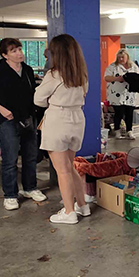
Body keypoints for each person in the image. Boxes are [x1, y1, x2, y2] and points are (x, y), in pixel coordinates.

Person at [0, 39, 47, 211]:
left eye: (20, 49)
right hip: (7, 120)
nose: (19, 53)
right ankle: (10, 194)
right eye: (14, 51)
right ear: (5, 55)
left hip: (28, 118)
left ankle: (30, 188)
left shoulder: (28, 70)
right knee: (10, 158)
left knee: (30, 156)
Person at [34, 34, 90, 225]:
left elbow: (38, 99)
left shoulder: (53, 75)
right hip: (77, 120)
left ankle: (68, 212)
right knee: (69, 165)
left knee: (62, 170)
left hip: (58, 119)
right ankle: (82, 205)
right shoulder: (81, 74)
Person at [105, 49, 139, 140]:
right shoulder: (113, 67)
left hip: (130, 94)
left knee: (129, 114)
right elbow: (106, 78)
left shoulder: (133, 66)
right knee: (119, 113)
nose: (121, 59)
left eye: (123, 57)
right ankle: (117, 131)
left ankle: (129, 131)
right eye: (119, 57)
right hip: (116, 95)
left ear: (127, 57)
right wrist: (117, 79)